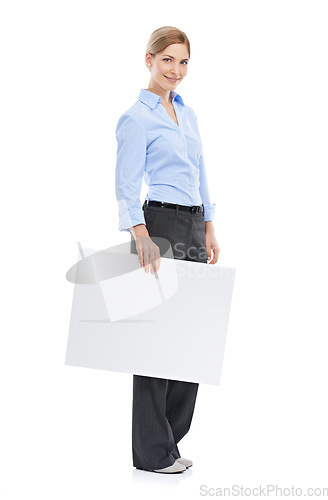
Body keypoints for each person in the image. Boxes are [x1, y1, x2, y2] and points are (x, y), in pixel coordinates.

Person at [114, 26, 220, 474]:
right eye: (167, 60)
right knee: (155, 342)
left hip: (193, 224)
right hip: (157, 224)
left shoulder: (187, 114)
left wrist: (209, 224)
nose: (175, 70)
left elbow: (200, 168)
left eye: (183, 62)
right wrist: (139, 234)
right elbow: (125, 181)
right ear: (149, 60)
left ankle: (167, 443)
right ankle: (151, 454)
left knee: (191, 340)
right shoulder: (135, 118)